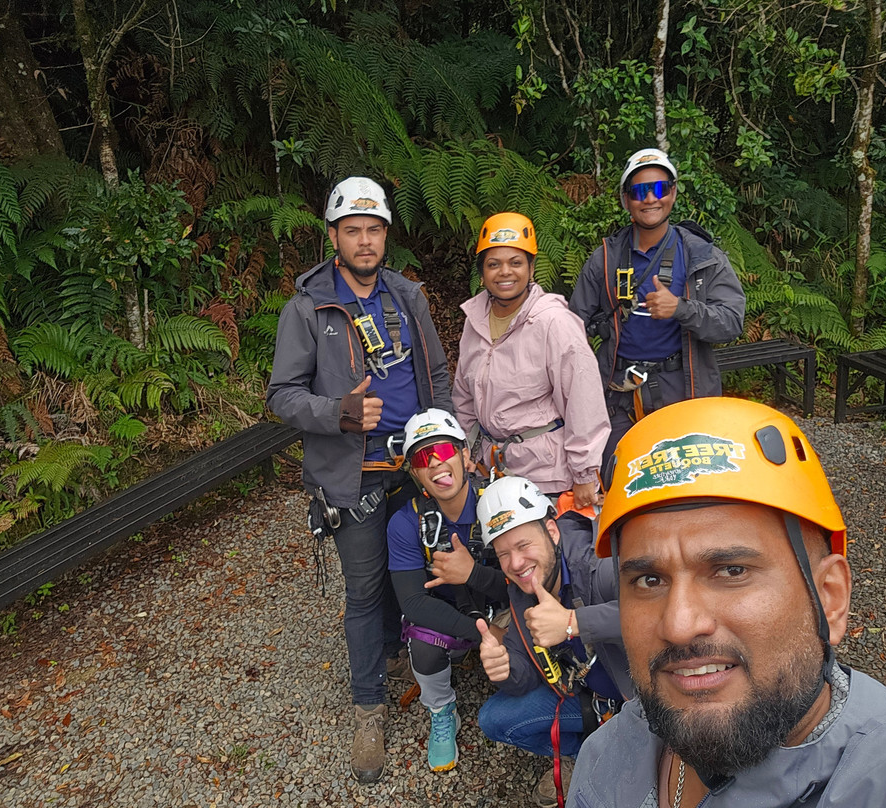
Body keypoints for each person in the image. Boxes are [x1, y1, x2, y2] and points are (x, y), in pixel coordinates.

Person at [568, 397, 886, 807]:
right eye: (648, 579)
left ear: (829, 599)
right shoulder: (609, 748)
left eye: (732, 571)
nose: (679, 624)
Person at [266, 176, 451, 784]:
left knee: (418, 572)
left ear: (386, 236)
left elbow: (436, 371)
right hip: (354, 473)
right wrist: (337, 413)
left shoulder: (408, 297)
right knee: (366, 590)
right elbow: (282, 395)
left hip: (416, 464)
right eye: (353, 230)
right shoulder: (308, 307)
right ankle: (367, 705)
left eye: (374, 230)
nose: (365, 241)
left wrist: (444, 437)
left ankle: (408, 658)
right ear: (333, 236)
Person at [568, 148, 745, 464]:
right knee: (618, 474)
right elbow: (571, 328)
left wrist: (681, 309)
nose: (650, 198)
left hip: (684, 389)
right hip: (619, 393)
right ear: (626, 200)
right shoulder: (605, 258)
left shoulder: (701, 255)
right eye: (639, 191)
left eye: (660, 188)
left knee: (687, 480)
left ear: (673, 193)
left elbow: (731, 321)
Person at [473, 475, 631, 808]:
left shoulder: (601, 564)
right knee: (494, 718)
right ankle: (589, 755)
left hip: (644, 699)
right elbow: (526, 673)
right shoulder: (522, 593)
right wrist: (505, 668)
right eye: (503, 554)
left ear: (552, 531)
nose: (515, 564)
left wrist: (574, 624)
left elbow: (660, 614)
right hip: (591, 699)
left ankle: (625, 755)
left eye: (523, 545)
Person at [453, 212, 609, 508]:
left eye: (515, 262)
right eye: (493, 264)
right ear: (482, 273)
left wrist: (585, 473)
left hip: (545, 473)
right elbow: (464, 395)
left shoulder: (554, 323)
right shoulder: (475, 322)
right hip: (491, 468)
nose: (505, 272)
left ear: (531, 267)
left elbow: (583, 399)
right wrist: (464, 447)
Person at [386, 408, 507, 772]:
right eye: (423, 457)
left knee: (538, 634)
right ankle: (441, 709)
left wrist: (472, 574)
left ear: (466, 455)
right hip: (453, 619)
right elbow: (412, 602)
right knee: (421, 647)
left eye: (444, 450)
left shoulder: (501, 502)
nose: (436, 463)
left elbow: (534, 583)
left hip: (505, 606)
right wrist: (485, 634)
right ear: (416, 473)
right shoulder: (406, 522)